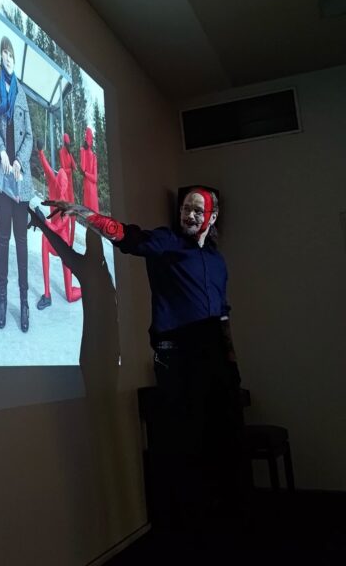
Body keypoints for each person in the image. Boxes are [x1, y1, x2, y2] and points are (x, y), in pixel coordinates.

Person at [44, 188, 244, 522]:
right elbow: (127, 236)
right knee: (184, 450)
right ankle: (187, 526)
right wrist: (84, 213)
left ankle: (226, 520)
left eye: (197, 210)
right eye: (185, 208)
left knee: (222, 448)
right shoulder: (167, 242)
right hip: (178, 363)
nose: (189, 215)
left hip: (216, 364)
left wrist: (232, 363)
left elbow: (223, 317)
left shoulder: (216, 261)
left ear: (212, 217)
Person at [0, 37, 33, 332]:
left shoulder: (22, 94)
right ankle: (2, 300)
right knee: (3, 238)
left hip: (19, 177)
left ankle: (24, 303)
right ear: (0, 57)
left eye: (11, 53)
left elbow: (30, 136)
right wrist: (1, 151)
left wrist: (20, 162)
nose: (8, 57)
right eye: (4, 53)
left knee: (21, 242)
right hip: (0, 175)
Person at [36, 145, 82, 309]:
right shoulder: (54, 185)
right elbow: (47, 169)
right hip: (54, 240)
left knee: (70, 296)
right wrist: (40, 152)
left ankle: (86, 287)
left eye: (64, 186)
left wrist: (43, 221)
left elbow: (57, 228)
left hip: (64, 246)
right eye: (61, 185)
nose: (62, 189)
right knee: (44, 239)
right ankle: (47, 294)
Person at [58, 133, 78, 244]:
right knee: (66, 215)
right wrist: (70, 170)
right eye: (67, 143)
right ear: (64, 142)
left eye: (69, 143)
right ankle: (65, 241)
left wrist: (71, 155)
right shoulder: (61, 152)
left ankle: (71, 243)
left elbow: (74, 167)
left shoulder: (68, 152)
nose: (68, 145)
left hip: (71, 188)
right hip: (66, 186)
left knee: (73, 216)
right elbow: (63, 169)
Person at [79, 127, 98, 212]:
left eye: (87, 137)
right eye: (85, 138)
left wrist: (86, 173)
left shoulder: (93, 156)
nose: (85, 140)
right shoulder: (84, 152)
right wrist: (82, 151)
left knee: (92, 214)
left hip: (91, 192)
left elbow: (95, 179)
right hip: (87, 191)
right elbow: (82, 169)